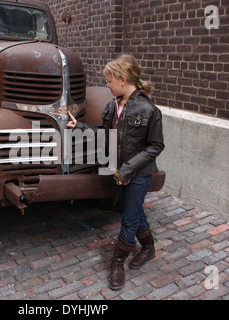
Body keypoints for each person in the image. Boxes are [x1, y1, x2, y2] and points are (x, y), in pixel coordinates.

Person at [67, 54, 165, 290]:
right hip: (115, 171)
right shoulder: (112, 105)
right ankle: (149, 248)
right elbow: (103, 132)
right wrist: (78, 127)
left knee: (129, 218)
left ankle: (117, 262)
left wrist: (128, 170)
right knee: (134, 210)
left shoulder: (149, 110)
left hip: (138, 174)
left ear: (122, 79)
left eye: (109, 81)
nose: (107, 85)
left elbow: (156, 146)